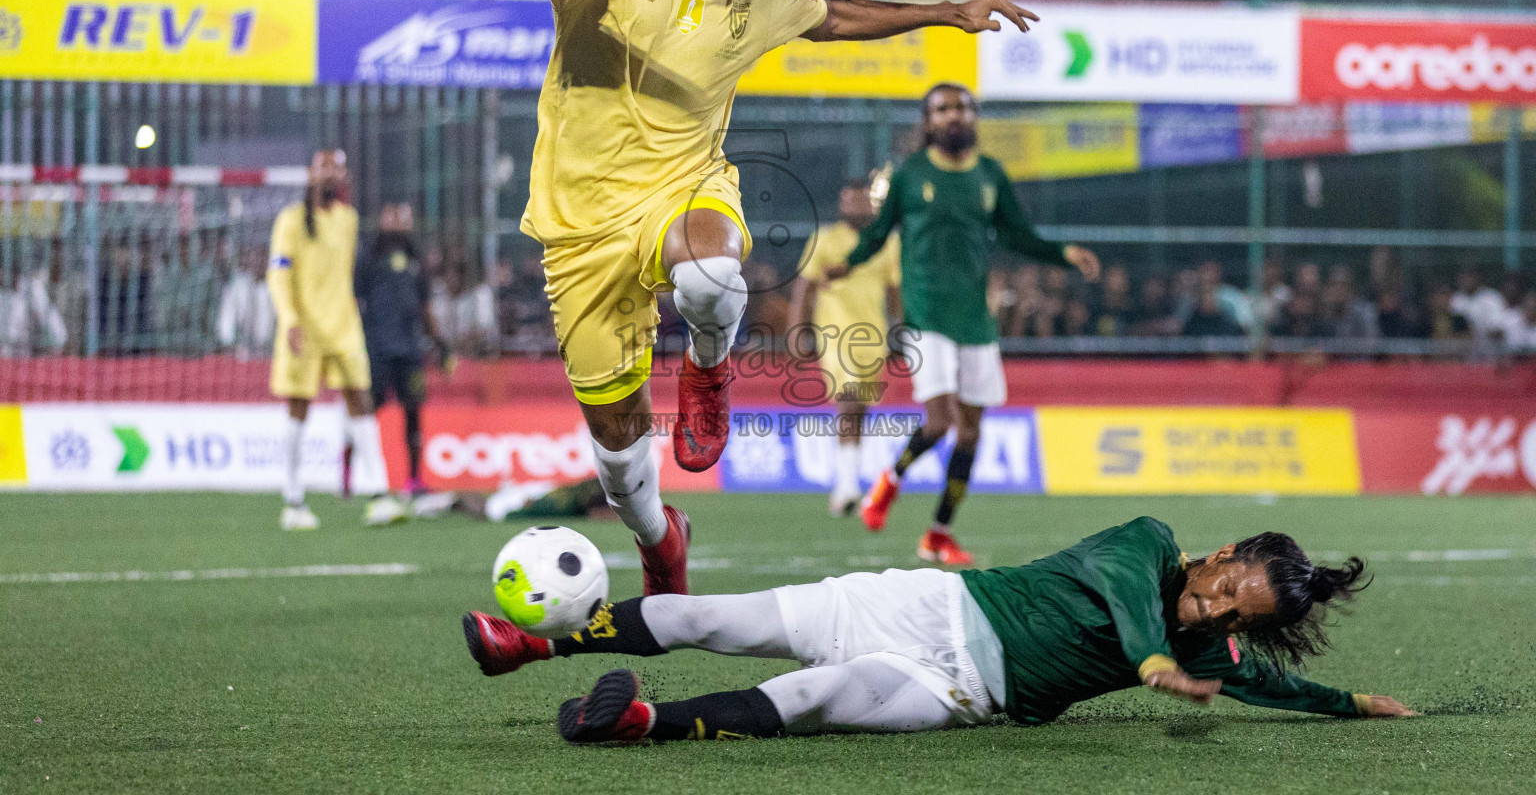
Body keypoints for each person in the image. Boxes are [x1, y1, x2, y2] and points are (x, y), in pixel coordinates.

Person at [505, 0, 1042, 594]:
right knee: (620, 449)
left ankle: (709, 370)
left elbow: (836, 16)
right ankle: (661, 540)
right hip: (580, 227)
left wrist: (948, 11)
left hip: (684, 190)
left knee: (714, 272)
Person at [460, 516, 1415, 743]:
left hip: (964, 691)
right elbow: (1134, 615)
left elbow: (1274, 687)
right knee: (713, 615)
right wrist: (1156, 660)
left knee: (817, 696)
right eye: (1220, 591)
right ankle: (534, 644)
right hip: (922, 605)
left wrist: (1359, 705)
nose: (1211, 612)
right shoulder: (1146, 547)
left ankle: (637, 726)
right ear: (1218, 554)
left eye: (1229, 618)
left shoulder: (1209, 649)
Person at [823, 83, 1099, 565]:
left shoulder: (991, 175)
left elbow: (1017, 234)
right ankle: (891, 481)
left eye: (962, 108)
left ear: (973, 117)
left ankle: (937, 534)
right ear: (928, 122)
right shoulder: (909, 176)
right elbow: (880, 230)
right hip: (926, 315)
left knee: (970, 434)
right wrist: (850, 261)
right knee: (941, 420)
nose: (954, 115)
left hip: (975, 319)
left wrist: (1063, 253)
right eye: (943, 109)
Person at [267, 150, 397, 531]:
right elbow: (278, 274)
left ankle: (378, 494)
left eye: (336, 168)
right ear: (309, 174)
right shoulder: (291, 220)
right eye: (322, 166)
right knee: (298, 408)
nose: (329, 174)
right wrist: (289, 319)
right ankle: (293, 500)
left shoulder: (349, 220)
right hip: (303, 328)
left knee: (361, 400)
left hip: (343, 327)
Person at [786, 178, 902, 516]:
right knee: (849, 400)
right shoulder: (824, 239)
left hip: (873, 337)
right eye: (850, 201)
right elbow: (803, 288)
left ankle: (845, 483)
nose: (856, 207)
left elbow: (894, 293)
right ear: (841, 204)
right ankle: (848, 486)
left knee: (860, 409)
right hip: (835, 334)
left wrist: (900, 330)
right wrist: (797, 328)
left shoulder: (887, 243)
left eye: (862, 201)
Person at [354, 203, 447, 502]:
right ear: (381, 220)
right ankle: (352, 475)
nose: (396, 222)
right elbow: (356, 300)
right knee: (367, 411)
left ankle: (414, 479)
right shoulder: (368, 256)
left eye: (402, 216)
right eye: (390, 215)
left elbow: (425, 306)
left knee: (413, 411)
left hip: (410, 350)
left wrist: (439, 344)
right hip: (376, 348)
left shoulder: (415, 259)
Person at [216, 246, 276, 359]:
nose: (259, 261)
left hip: (271, 353)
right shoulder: (238, 287)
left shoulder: (277, 287)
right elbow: (227, 321)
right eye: (255, 257)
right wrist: (231, 345)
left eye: (263, 257)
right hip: (241, 352)